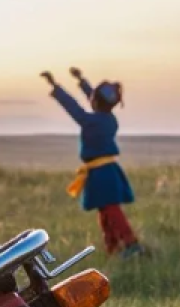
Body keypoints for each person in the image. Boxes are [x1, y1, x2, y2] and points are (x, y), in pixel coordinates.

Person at [41, 67, 145, 259]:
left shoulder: (91, 122)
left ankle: (131, 245)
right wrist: (81, 80)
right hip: (105, 171)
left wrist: (55, 86)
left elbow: (72, 107)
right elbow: (95, 99)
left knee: (110, 211)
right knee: (105, 211)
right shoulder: (108, 118)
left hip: (101, 173)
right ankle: (114, 248)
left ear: (96, 102)